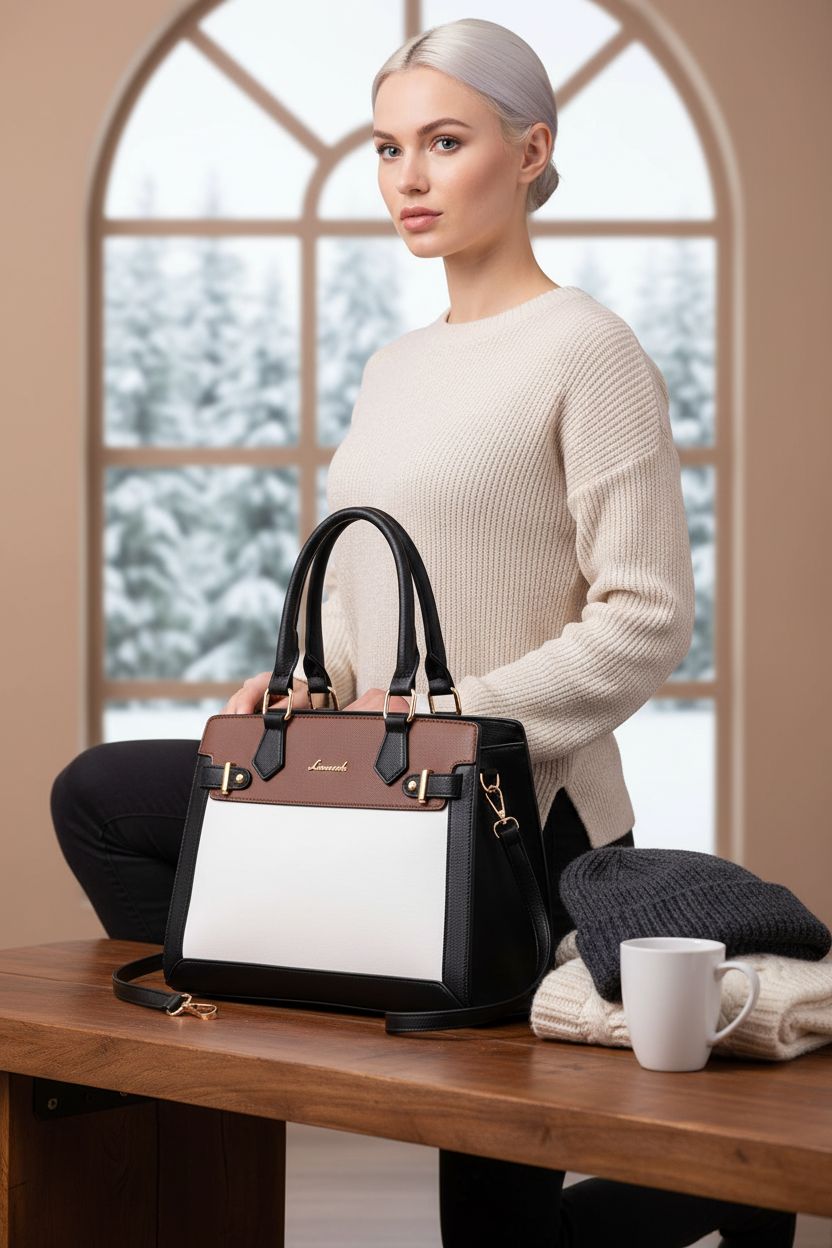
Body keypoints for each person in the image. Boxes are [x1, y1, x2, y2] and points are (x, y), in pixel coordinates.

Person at [50, 17, 797, 1248]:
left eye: (444, 142)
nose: (408, 175)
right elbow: (367, 598)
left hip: (505, 811)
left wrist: (456, 721)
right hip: (372, 793)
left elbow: (645, 617)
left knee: (492, 1228)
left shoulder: (589, 351)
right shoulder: (395, 366)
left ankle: (726, 1187)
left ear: (529, 151)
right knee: (102, 796)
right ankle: (259, 1027)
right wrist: (301, 688)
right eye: (388, 147)